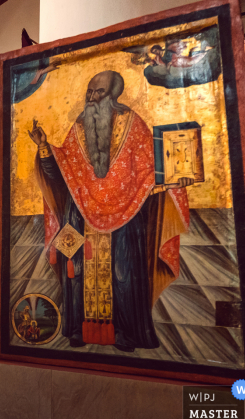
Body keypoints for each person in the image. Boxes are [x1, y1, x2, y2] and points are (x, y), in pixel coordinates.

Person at [29, 70, 192, 351]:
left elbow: (150, 170)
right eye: (89, 92)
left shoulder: (133, 125)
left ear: (113, 96)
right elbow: (61, 175)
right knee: (76, 273)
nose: (91, 98)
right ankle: (78, 330)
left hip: (125, 221)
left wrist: (175, 178)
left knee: (123, 275)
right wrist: (44, 147)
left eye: (98, 92)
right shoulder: (79, 128)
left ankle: (125, 333)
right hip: (80, 219)